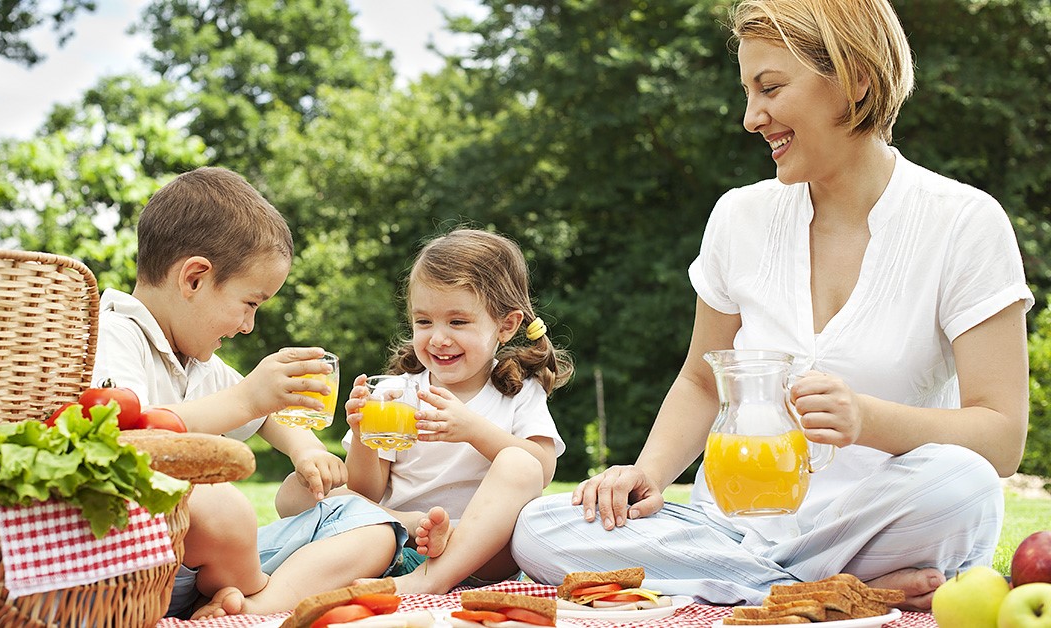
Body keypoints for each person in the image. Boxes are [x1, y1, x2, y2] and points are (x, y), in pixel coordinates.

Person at [511, 0, 1033, 612]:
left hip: (882, 522)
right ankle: (806, 590)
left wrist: (866, 419)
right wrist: (646, 475)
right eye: (747, 91)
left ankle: (747, 582)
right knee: (540, 527)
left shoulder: (963, 222)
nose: (750, 117)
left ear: (856, 78)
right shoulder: (741, 216)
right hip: (731, 524)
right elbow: (703, 381)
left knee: (964, 483)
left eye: (771, 88)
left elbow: (1000, 437)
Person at [90, 166, 404, 619]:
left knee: (372, 525)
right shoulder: (112, 334)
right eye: (250, 303)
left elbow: (267, 416)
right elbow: (128, 433)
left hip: (207, 567)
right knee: (221, 505)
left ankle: (247, 604)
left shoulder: (197, 361)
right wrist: (248, 398)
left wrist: (307, 450)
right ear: (194, 278)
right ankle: (251, 594)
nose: (248, 325)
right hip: (138, 563)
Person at [276, 228, 574, 595]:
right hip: (398, 546)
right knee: (297, 490)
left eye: (458, 322)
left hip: (484, 557)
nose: (438, 338)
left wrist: (472, 430)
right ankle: (405, 527)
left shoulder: (516, 391)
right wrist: (364, 437)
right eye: (424, 321)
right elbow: (365, 490)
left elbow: (541, 470)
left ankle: (432, 580)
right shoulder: (394, 392)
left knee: (519, 463)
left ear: (506, 325)